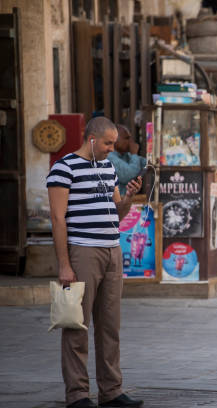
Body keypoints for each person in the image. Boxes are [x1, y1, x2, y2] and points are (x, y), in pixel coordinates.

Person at [47, 117, 144, 408]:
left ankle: (111, 391)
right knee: (77, 325)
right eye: (107, 143)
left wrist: (127, 198)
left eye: (114, 143)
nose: (111, 149)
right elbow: (57, 218)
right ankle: (77, 395)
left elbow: (117, 212)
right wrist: (64, 264)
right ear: (91, 138)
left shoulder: (107, 167)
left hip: (112, 250)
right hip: (83, 252)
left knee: (110, 326)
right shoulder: (63, 169)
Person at [106, 125, 147, 196]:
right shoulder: (109, 156)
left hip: (126, 201)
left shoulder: (126, 155)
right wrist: (134, 154)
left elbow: (147, 164)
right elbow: (128, 175)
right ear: (114, 139)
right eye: (127, 138)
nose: (130, 142)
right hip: (116, 203)